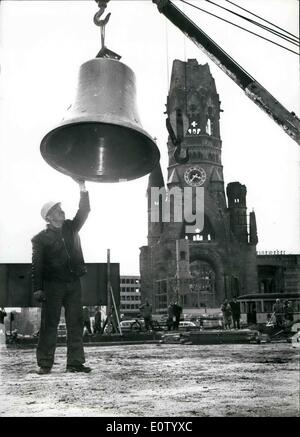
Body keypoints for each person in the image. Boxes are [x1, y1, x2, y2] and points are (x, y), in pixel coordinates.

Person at [31, 178, 92, 375]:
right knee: (50, 324)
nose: (61, 211)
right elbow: (37, 265)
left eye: (60, 208)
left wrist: (82, 188)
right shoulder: (40, 239)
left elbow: (84, 211)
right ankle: (45, 364)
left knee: (76, 322)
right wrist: (38, 288)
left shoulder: (70, 227)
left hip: (73, 282)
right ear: (49, 218)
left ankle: (75, 363)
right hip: (52, 286)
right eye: (57, 210)